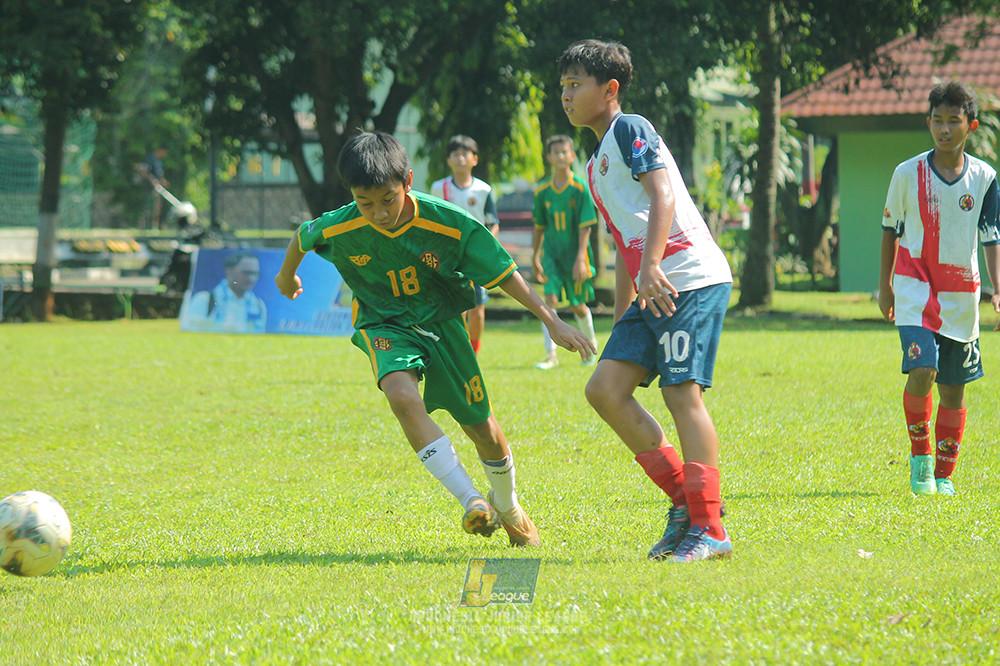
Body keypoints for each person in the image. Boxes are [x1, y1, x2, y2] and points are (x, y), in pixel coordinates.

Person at [275, 131, 596, 546]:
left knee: (483, 430)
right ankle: (472, 502)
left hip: (443, 324)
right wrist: (286, 276)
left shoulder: (449, 223)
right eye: (365, 202)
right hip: (383, 322)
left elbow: (503, 272)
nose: (378, 213)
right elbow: (304, 235)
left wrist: (551, 320)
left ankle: (508, 506)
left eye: (388, 198)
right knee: (401, 397)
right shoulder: (343, 223)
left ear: (408, 181)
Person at [559, 40, 734, 563]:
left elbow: (664, 195)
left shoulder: (630, 128)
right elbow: (621, 243)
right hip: (651, 289)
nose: (565, 96)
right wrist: (622, 317)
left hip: (689, 278)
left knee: (682, 395)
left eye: (575, 86)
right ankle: (685, 503)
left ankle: (711, 529)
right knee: (605, 390)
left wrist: (653, 266)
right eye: (562, 87)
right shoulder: (593, 167)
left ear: (609, 90)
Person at [878, 80, 1000, 497]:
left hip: (962, 299)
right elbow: (890, 229)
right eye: (937, 120)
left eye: (953, 121)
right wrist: (885, 286)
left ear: (972, 125)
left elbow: (991, 235)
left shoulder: (984, 178)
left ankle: (945, 476)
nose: (944, 129)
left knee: (953, 387)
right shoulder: (906, 173)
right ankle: (921, 464)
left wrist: (998, 288)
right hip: (915, 292)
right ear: (927, 122)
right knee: (923, 370)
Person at [531, 135, 601, 370]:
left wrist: (581, 258)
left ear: (572, 156)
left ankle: (590, 348)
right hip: (551, 256)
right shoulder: (542, 192)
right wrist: (535, 256)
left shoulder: (580, 188)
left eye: (565, 152)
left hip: (575, 257)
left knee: (577, 306)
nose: (561, 156)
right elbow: (540, 226)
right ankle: (551, 355)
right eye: (556, 152)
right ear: (549, 157)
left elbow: (586, 226)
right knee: (549, 301)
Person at [430, 135, 500, 354]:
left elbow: (493, 223)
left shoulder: (483, 190)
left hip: (474, 257)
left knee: (477, 309)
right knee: (455, 306)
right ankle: (458, 350)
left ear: (474, 159)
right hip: (448, 256)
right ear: (449, 160)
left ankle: (474, 351)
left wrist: (487, 247)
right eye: (455, 154)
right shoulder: (438, 188)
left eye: (465, 154)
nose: (460, 158)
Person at [184, 252, 268, 333]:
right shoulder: (204, 300)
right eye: (246, 273)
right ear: (229, 272)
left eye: (255, 274)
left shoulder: (258, 305)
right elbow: (191, 332)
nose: (251, 279)